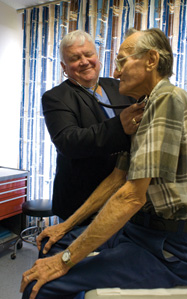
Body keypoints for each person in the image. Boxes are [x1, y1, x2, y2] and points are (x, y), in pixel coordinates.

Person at [21, 28, 187, 299]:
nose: (116, 73)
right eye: (74, 58)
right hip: (138, 229)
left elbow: (130, 196)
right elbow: (117, 177)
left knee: (45, 283)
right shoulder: (147, 103)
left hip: (168, 246)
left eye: (123, 62)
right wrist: (66, 226)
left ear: (151, 60)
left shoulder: (166, 99)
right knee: (50, 245)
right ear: (64, 67)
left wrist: (64, 262)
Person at [42, 29, 144, 222]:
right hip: (82, 201)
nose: (84, 61)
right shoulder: (56, 97)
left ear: (98, 57)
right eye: (75, 58)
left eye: (88, 54)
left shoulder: (118, 86)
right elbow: (68, 142)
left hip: (122, 195)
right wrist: (119, 126)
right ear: (64, 67)